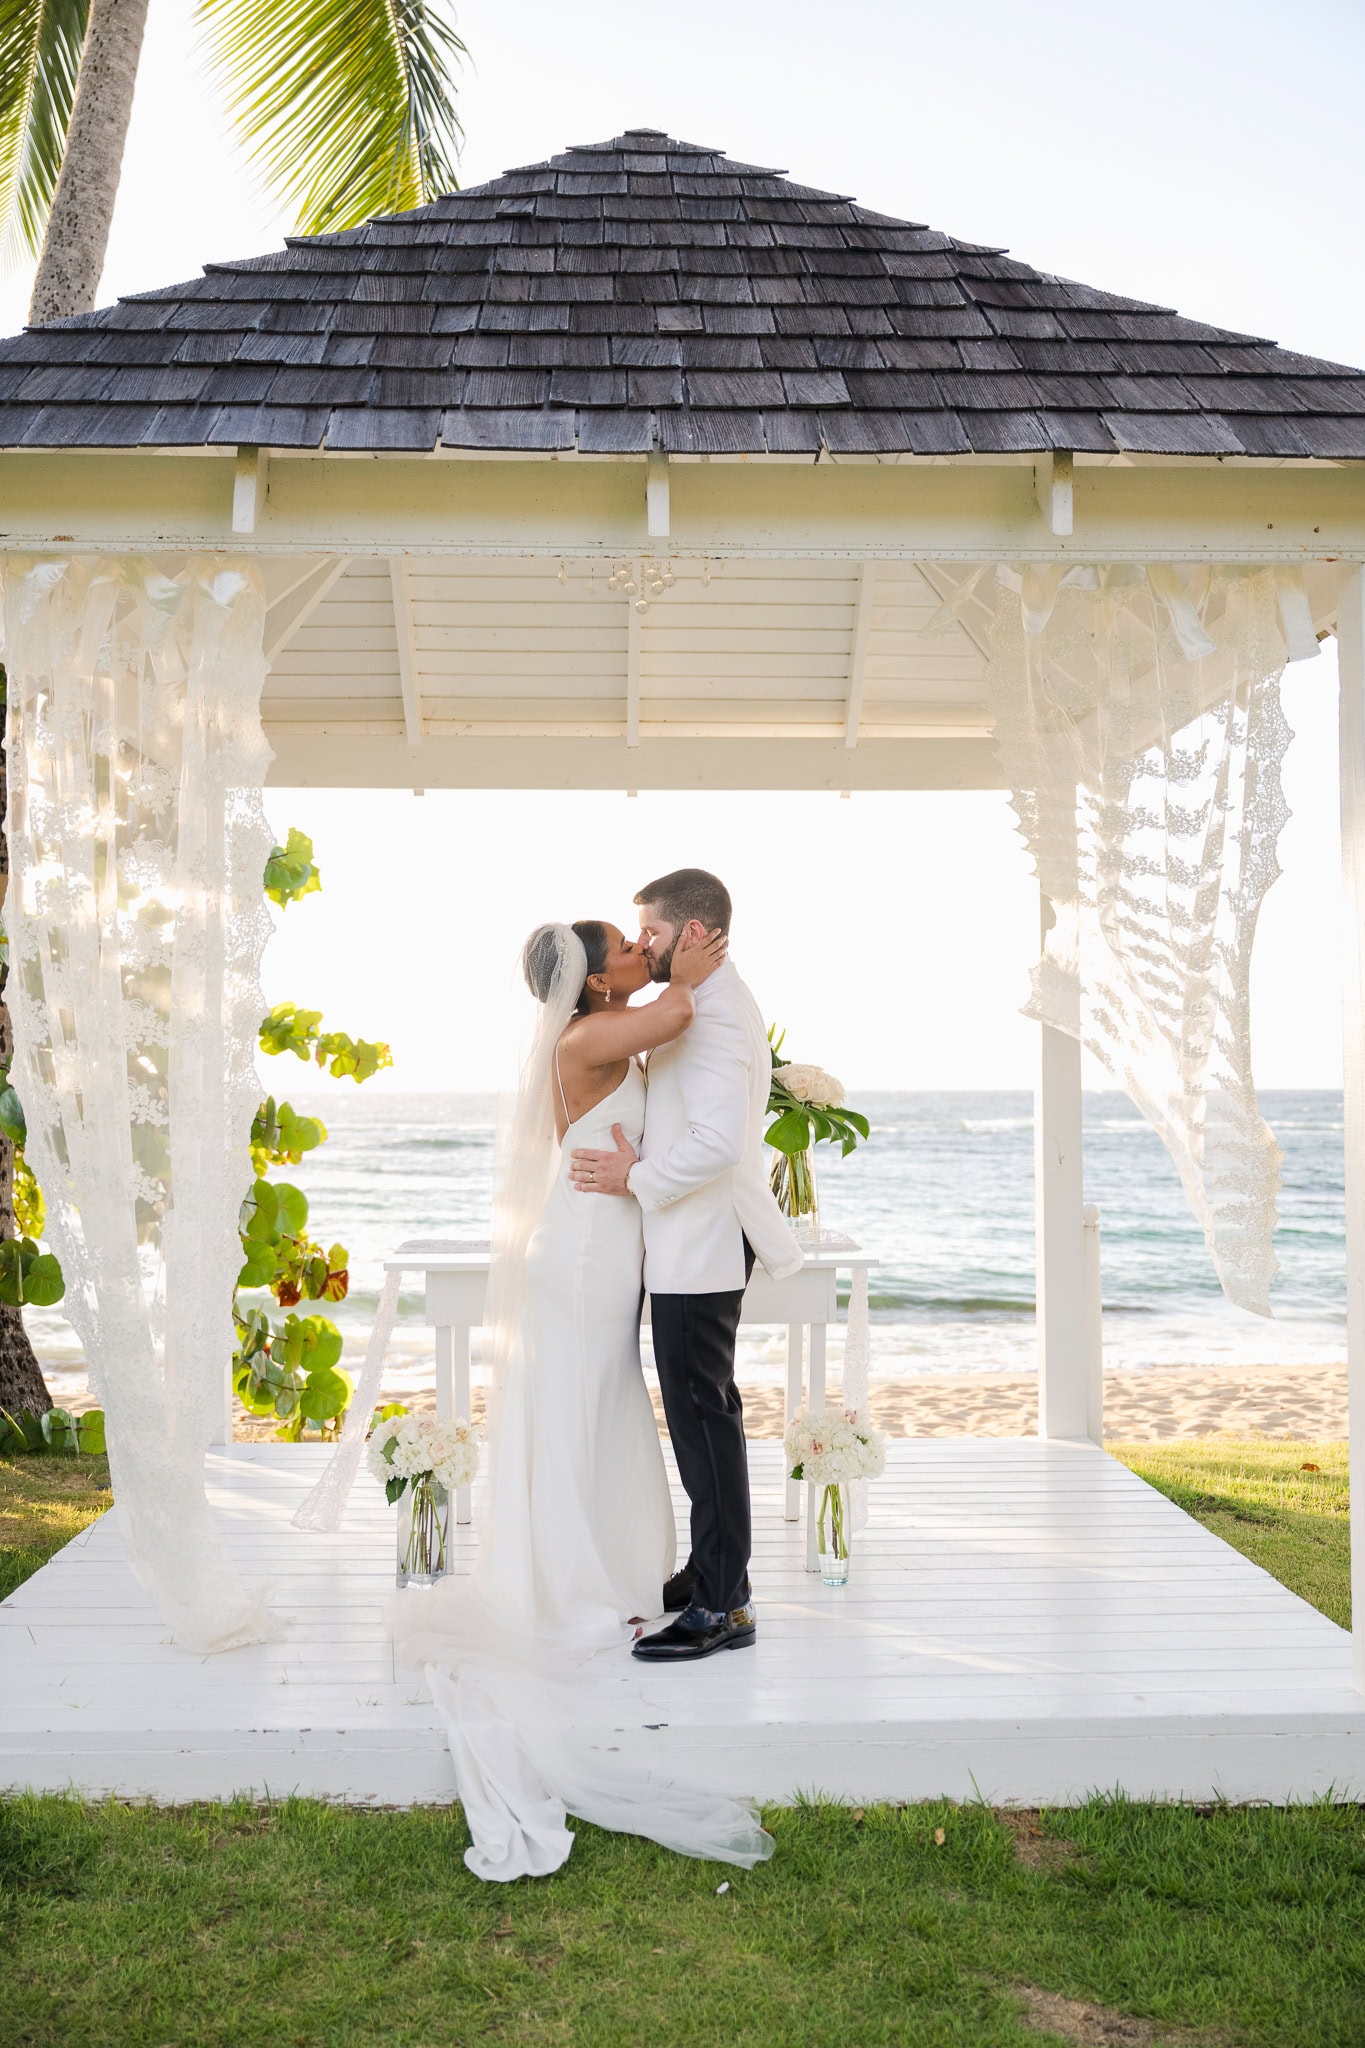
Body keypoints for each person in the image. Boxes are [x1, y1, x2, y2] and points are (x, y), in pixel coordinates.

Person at [389, 915, 774, 1881]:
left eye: (645, 941)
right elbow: (680, 1010)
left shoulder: (600, 1027)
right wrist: (688, 963)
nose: (641, 952)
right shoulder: (591, 1036)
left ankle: (607, 1565)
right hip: (584, 1252)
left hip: (607, 1244)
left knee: (599, 1398)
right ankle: (574, 1583)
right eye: (626, 948)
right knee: (585, 1398)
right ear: (596, 983)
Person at [570, 868, 803, 1661]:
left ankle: (723, 1605)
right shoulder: (697, 1000)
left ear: (694, 933)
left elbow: (718, 1144)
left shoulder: (715, 1013)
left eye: (652, 933)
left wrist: (633, 1177)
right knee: (701, 1418)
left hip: (699, 1245)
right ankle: (712, 1571)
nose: (643, 945)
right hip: (684, 1242)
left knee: (705, 1422)